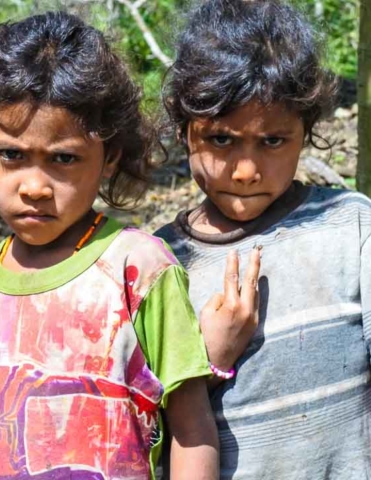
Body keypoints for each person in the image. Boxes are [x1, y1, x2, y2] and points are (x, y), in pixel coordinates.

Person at [0, 11, 224, 480]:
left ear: (109, 157)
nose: (34, 185)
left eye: (64, 159)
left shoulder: (138, 270)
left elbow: (191, 427)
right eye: (11, 155)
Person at [155, 1, 371, 478]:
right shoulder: (158, 264)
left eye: (273, 141)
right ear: (183, 130)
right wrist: (208, 362)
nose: (247, 171)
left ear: (306, 132)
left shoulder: (352, 227)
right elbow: (139, 429)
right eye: (221, 140)